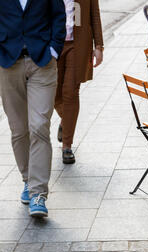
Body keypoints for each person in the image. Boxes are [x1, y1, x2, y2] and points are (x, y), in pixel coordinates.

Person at [0, 0, 66, 218]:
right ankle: (28, 180)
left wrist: (54, 49)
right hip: (8, 63)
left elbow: (58, 15)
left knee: (39, 125)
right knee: (19, 129)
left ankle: (39, 193)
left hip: (42, 63)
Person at [55, 0, 104, 164]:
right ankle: (65, 121)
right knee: (53, 94)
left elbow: (94, 14)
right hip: (53, 44)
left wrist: (99, 46)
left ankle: (67, 146)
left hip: (78, 44)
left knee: (70, 92)